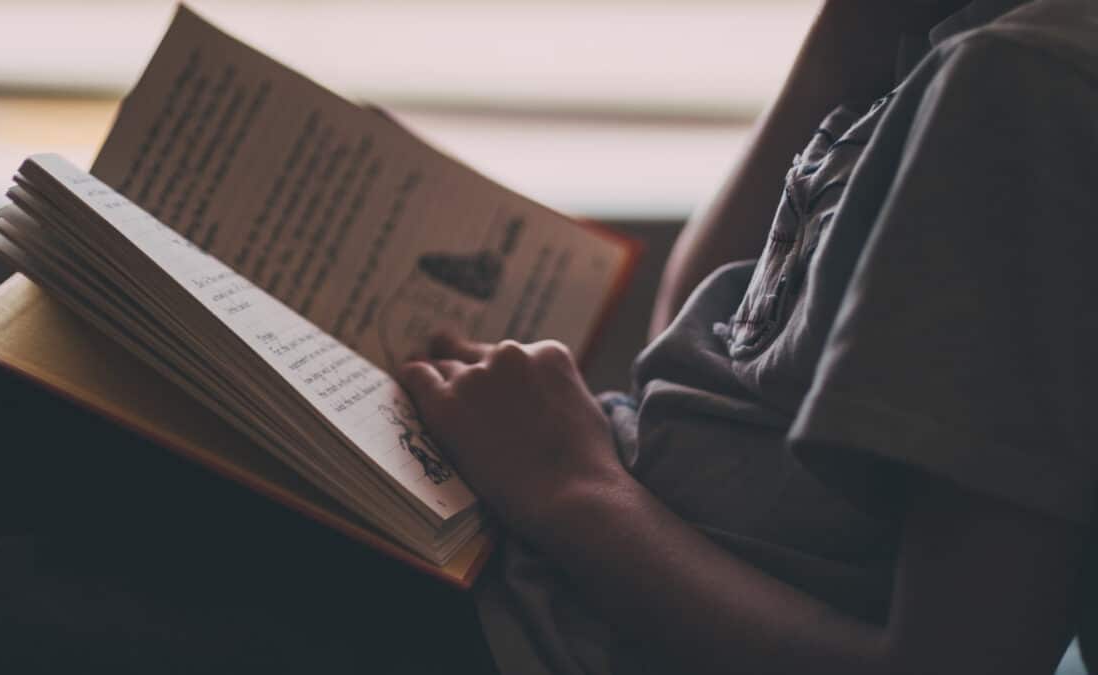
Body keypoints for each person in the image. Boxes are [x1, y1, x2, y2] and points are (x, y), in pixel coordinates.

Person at [395, 0, 1098, 673]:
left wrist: (570, 485)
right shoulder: (948, 38)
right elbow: (710, 343)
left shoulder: (1024, 79)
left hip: (549, 635)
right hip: (549, 579)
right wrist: (847, 32)